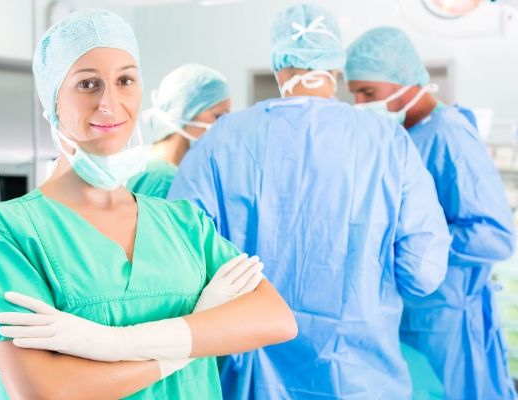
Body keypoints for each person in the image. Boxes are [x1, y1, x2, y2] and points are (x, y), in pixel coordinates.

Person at [0, 9, 297, 400]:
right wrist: (186, 342)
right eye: (87, 84)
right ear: (52, 99)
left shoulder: (183, 222)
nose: (109, 102)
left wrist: (117, 344)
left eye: (125, 80)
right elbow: (45, 392)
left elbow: (275, 318)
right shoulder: (6, 233)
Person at [168, 4, 451, 399]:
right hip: (360, 376)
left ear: (279, 63)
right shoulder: (386, 141)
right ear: (336, 66)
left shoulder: (223, 139)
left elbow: (178, 257)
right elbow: (422, 272)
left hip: (253, 374)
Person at [345, 26, 516, 400]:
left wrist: (413, 248)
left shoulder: (448, 135)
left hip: (446, 318)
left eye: (368, 92)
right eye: (354, 92)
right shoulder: (403, 136)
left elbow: (494, 235)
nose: (359, 103)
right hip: (414, 311)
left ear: (403, 81)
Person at [127, 63, 231, 198]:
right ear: (185, 112)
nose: (224, 125)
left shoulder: (144, 164)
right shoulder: (164, 180)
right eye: (218, 116)